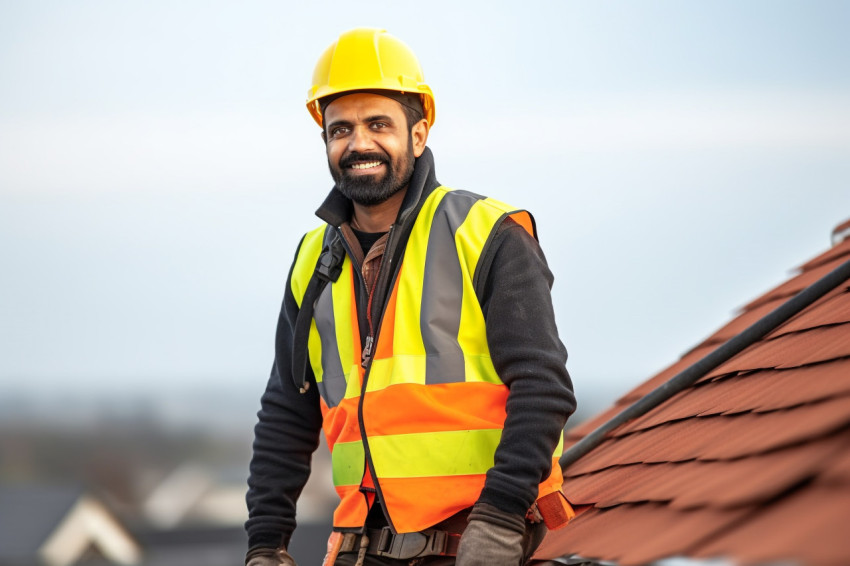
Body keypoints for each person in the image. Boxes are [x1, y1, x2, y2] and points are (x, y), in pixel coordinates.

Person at [245, 28, 576, 566]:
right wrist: (265, 544)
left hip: (473, 544)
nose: (359, 144)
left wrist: (498, 519)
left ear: (418, 135)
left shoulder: (486, 232)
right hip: (359, 550)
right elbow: (287, 410)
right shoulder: (312, 260)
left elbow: (544, 388)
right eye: (341, 129)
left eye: (379, 125)